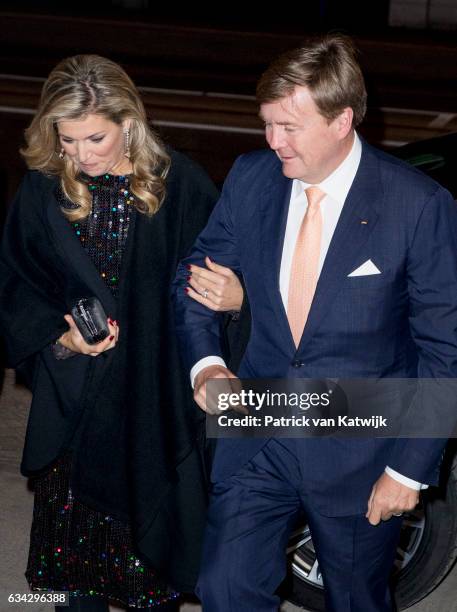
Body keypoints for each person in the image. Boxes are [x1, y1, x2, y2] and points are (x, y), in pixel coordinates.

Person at [173, 34, 457, 611]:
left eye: (289, 127)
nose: (273, 141)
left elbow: (443, 347)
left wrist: (408, 468)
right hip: (257, 421)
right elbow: (194, 281)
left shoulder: (418, 205)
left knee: (354, 599)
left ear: (341, 120)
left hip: (360, 434)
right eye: (267, 124)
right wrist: (207, 366)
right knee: (223, 587)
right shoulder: (253, 178)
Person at [0, 54, 243, 612]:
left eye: (95, 138)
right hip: (78, 411)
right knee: (76, 585)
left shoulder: (179, 184)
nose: (80, 155)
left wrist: (238, 298)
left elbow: (223, 286)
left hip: (150, 408)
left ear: (128, 123)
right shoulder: (44, 188)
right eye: (67, 139)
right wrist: (61, 338)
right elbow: (14, 284)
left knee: (148, 578)